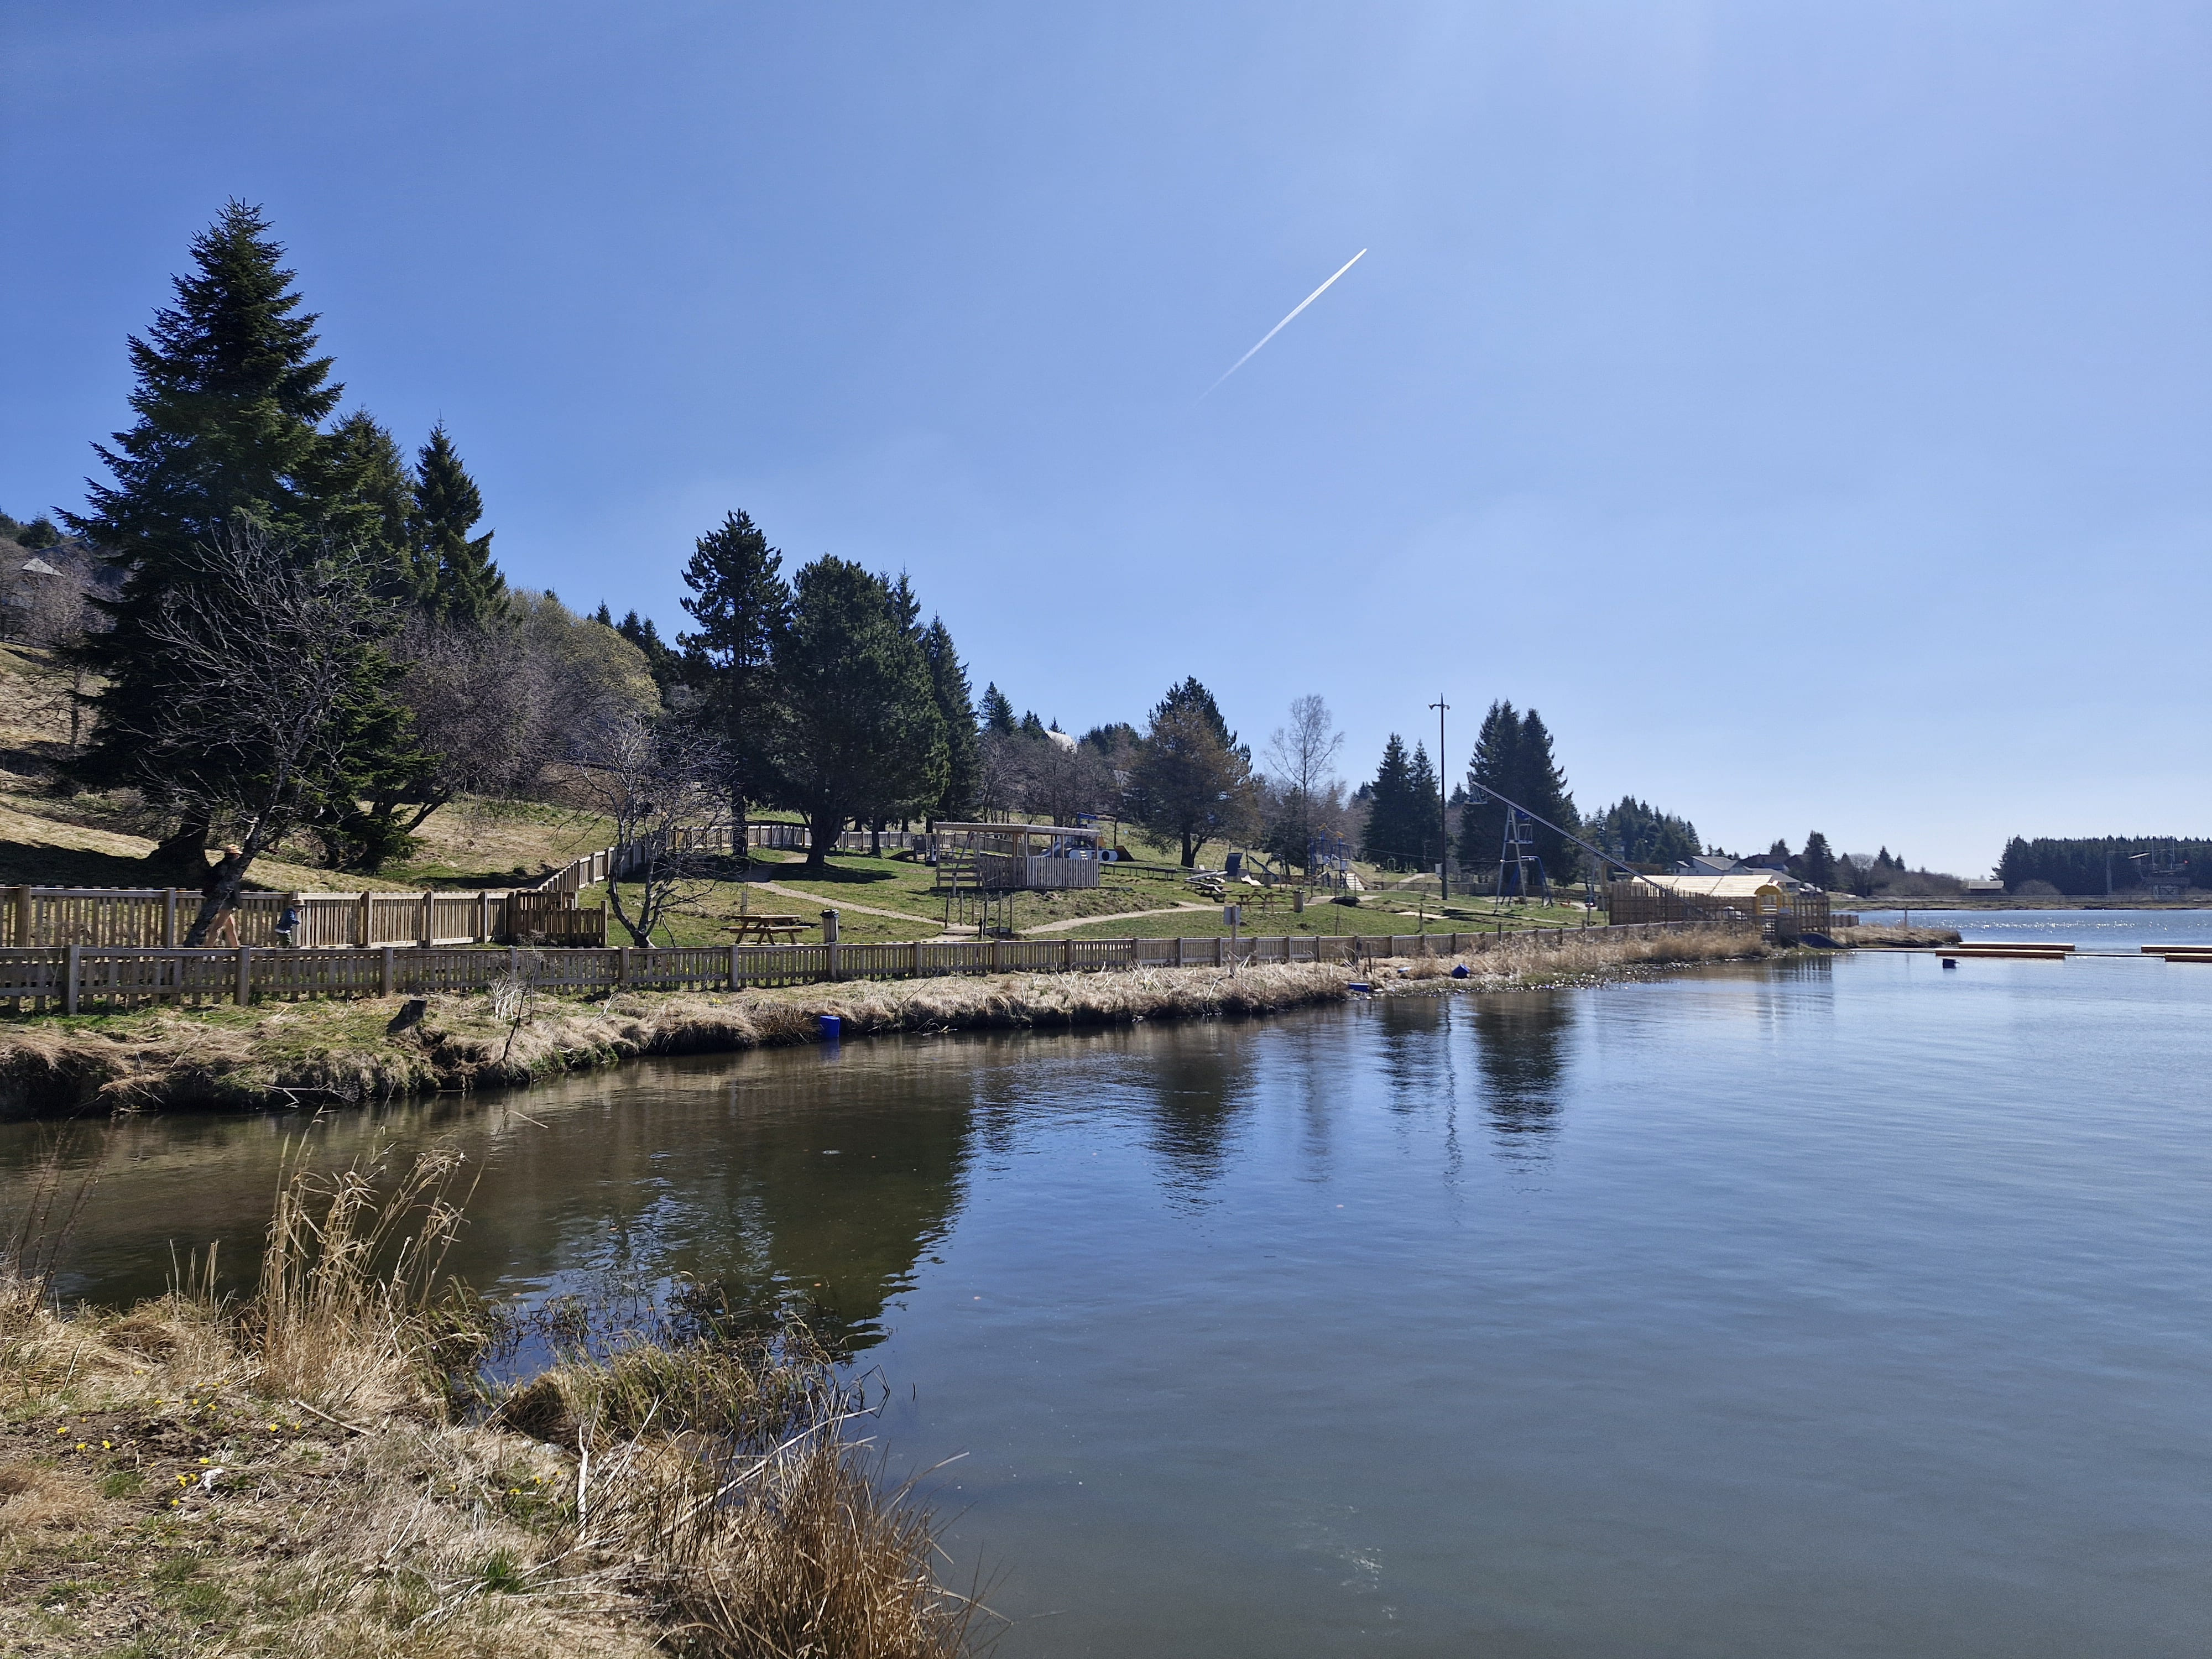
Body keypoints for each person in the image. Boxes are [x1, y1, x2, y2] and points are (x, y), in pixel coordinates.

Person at [202, 845, 244, 947]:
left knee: (230, 925)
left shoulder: (219, 866)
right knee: (218, 926)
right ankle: (207, 949)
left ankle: (236, 948)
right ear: (235, 855)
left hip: (216, 898)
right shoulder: (234, 868)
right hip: (227, 900)